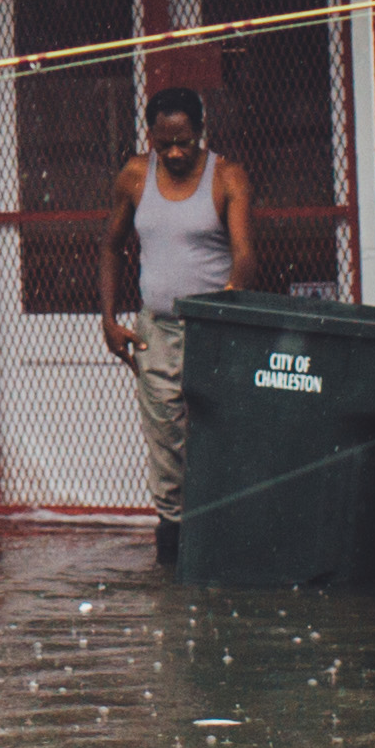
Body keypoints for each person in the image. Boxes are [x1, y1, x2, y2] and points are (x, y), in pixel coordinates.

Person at [100, 82, 255, 531]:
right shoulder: (134, 175)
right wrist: (109, 320)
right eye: (163, 143)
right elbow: (110, 246)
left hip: (213, 330)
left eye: (184, 142)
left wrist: (228, 307)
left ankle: (218, 536)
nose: (173, 153)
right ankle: (172, 538)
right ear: (149, 136)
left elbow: (245, 254)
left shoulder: (227, 177)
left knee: (217, 435)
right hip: (157, 332)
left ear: (201, 132)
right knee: (166, 441)